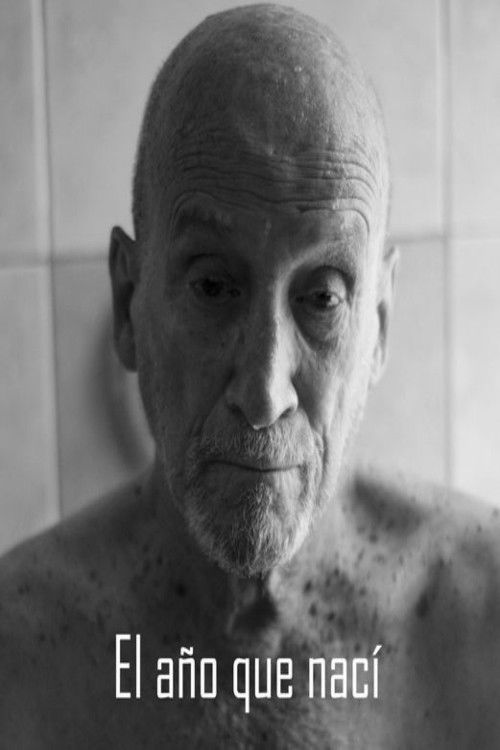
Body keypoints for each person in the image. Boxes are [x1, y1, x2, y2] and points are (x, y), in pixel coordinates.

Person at [1, 5, 500, 748]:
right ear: (129, 302)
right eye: (213, 286)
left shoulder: (482, 625)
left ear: (379, 325)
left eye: (322, 298)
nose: (265, 393)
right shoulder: (20, 659)